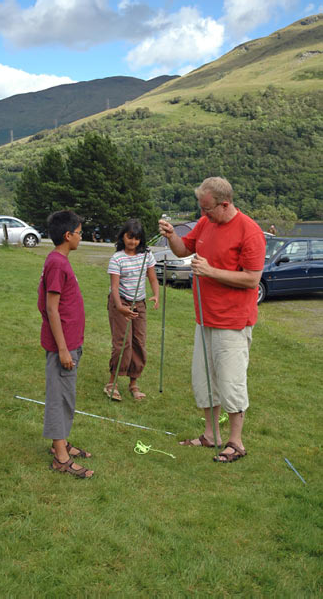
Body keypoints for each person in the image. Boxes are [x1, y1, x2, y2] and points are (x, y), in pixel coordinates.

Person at [159, 177, 266, 463]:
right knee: (204, 380)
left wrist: (211, 271)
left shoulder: (250, 232)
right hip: (204, 318)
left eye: (207, 209)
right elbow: (183, 250)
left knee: (231, 382)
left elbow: (252, 279)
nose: (203, 215)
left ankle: (236, 442)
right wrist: (171, 235)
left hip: (232, 322)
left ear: (225, 204)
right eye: (201, 208)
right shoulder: (207, 224)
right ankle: (211, 435)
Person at [38, 210, 94, 479]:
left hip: (71, 341)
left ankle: (59, 443)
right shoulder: (57, 263)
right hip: (64, 345)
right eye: (80, 232)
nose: (81, 236)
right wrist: (62, 349)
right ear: (67, 235)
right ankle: (61, 457)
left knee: (66, 396)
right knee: (59, 398)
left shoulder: (58, 260)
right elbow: (51, 308)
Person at [104, 219, 159, 401]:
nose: (132, 242)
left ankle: (133, 383)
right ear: (123, 236)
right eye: (129, 237)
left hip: (139, 303)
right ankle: (112, 382)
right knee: (123, 343)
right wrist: (120, 307)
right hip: (120, 302)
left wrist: (156, 295)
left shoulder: (146, 256)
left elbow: (152, 278)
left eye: (136, 238)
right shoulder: (117, 258)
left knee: (139, 342)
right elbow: (114, 286)